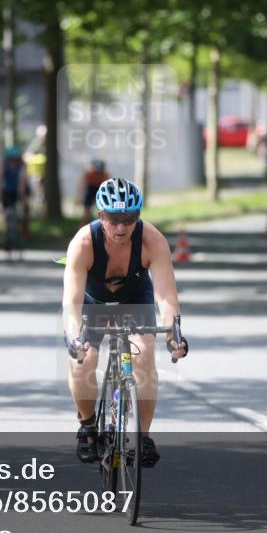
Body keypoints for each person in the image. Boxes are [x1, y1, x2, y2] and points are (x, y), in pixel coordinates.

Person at [62, 178, 189, 468]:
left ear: (138, 216)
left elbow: (166, 296)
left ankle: (143, 436)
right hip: (92, 304)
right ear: (100, 215)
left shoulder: (152, 240)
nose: (121, 227)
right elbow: (72, 302)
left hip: (134, 300)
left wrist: (174, 337)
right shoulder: (83, 243)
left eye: (129, 218)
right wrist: (75, 339)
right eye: (114, 218)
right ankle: (88, 427)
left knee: (144, 354)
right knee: (83, 361)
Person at [0, 145, 30, 248]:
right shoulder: (4, 166)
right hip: (8, 191)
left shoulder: (22, 166)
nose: (14, 162)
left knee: (25, 206)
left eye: (15, 159)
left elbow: (23, 180)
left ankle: (25, 227)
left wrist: (22, 195)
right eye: (12, 159)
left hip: (20, 190)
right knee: (5, 214)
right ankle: (5, 236)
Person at [78, 158, 110, 225]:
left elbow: (107, 187)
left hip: (100, 188)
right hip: (90, 188)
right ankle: (83, 225)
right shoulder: (89, 173)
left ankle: (103, 225)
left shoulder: (105, 174)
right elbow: (82, 184)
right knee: (87, 210)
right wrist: (79, 196)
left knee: (102, 209)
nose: (97, 173)